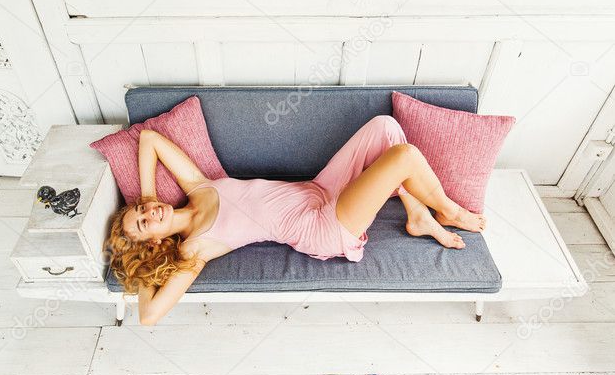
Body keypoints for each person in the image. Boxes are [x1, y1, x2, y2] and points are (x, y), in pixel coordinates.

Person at [106, 115, 486, 326]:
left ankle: (416, 213)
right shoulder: (193, 248)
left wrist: (146, 192)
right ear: (153, 243)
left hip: (320, 189)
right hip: (323, 228)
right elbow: (148, 316)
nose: (148, 213)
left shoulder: (197, 186)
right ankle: (448, 211)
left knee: (385, 127)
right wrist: (139, 274)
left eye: (140, 210)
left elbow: (149, 140)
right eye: (143, 223)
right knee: (403, 156)